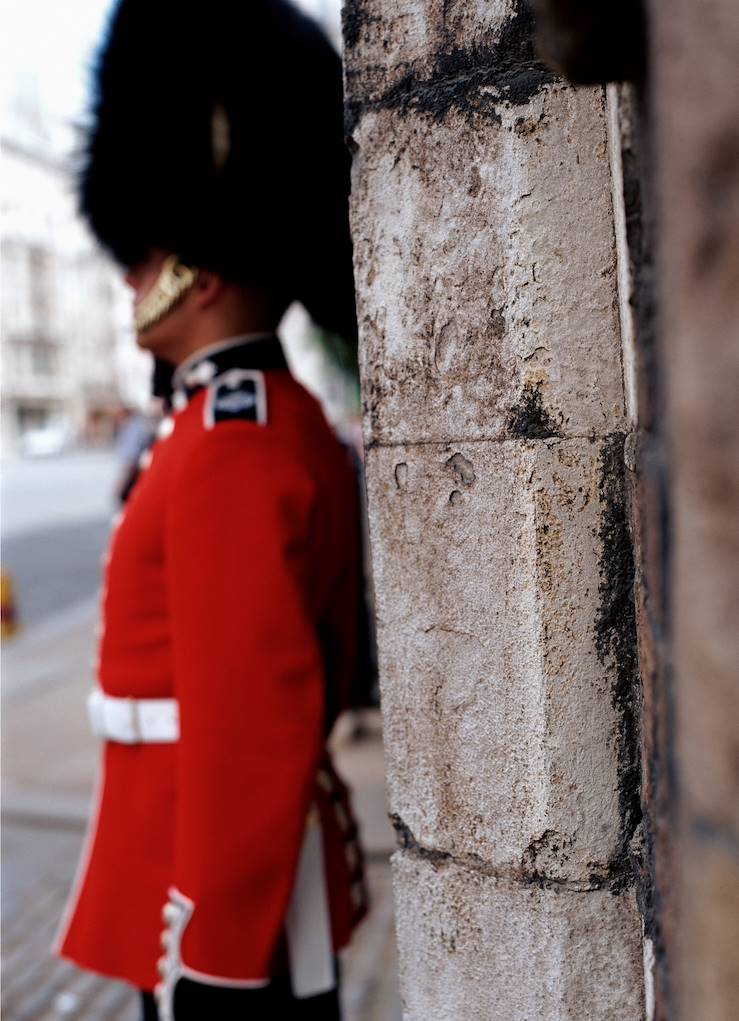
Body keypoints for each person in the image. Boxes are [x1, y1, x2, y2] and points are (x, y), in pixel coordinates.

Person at [54, 2, 367, 1018]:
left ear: (204, 257)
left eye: (147, 252)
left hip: (225, 903)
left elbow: (250, 722)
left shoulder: (231, 444)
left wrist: (218, 953)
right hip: (186, 861)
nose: (131, 273)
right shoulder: (232, 423)